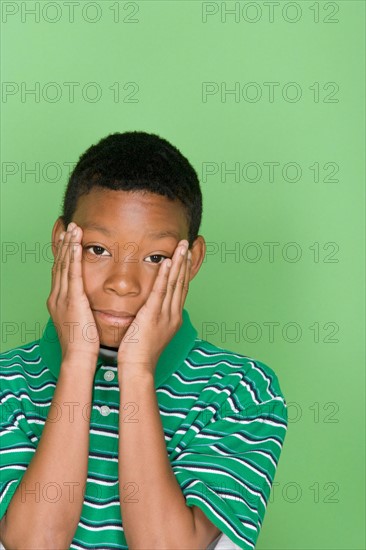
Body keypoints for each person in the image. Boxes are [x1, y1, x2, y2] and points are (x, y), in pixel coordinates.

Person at [0, 131, 288, 549]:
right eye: (97, 249)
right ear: (62, 241)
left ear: (191, 262)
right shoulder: (7, 383)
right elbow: (34, 544)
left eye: (156, 258)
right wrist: (78, 361)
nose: (122, 283)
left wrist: (136, 373)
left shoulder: (241, 390)